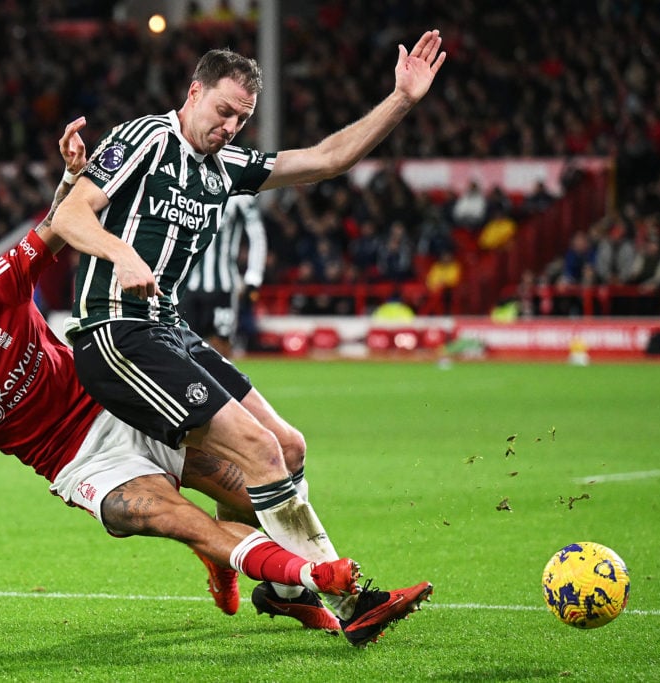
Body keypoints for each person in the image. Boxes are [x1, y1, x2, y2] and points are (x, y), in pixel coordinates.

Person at [0, 123, 378, 643]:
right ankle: (312, 578)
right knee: (182, 519)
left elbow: (57, 229)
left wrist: (68, 179)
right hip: (81, 464)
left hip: (120, 404)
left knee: (251, 493)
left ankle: (275, 589)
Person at [50, 31, 445, 646]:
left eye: (243, 118)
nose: (231, 127)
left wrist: (400, 100)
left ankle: (284, 592)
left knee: (287, 447)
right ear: (194, 92)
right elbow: (71, 215)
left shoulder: (223, 168)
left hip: (171, 329)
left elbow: (326, 159)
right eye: (223, 111)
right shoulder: (147, 138)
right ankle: (347, 599)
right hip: (115, 332)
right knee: (256, 450)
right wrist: (120, 253)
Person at [177, 194, 267, 357]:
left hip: (223, 286)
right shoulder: (186, 185)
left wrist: (253, 277)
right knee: (184, 347)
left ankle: (223, 383)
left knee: (221, 346)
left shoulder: (241, 194)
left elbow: (257, 235)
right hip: (186, 286)